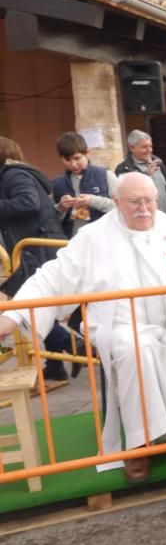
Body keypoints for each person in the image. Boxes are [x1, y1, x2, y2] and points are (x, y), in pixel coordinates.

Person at [0, 171, 166, 482]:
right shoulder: (93, 237)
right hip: (126, 323)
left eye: (149, 201)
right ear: (116, 202)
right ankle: (141, 444)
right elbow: (55, 275)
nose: (144, 209)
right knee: (135, 352)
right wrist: (13, 316)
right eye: (134, 202)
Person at [0, 136, 72, 381]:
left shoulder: (13, 175)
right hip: (34, 245)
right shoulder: (14, 174)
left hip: (35, 247)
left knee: (27, 303)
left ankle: (70, 342)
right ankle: (56, 365)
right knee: (36, 304)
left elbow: (27, 203)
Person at [51, 131, 117, 237]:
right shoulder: (56, 184)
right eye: (67, 160)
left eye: (77, 158)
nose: (73, 164)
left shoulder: (106, 175)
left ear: (87, 153)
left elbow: (122, 207)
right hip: (71, 243)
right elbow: (49, 219)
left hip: (104, 238)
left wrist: (93, 201)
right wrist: (60, 207)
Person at [114, 129, 166, 214]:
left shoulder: (159, 163)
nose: (149, 150)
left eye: (150, 146)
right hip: (143, 218)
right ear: (131, 147)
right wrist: (145, 175)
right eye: (144, 147)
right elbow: (127, 194)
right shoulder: (123, 169)